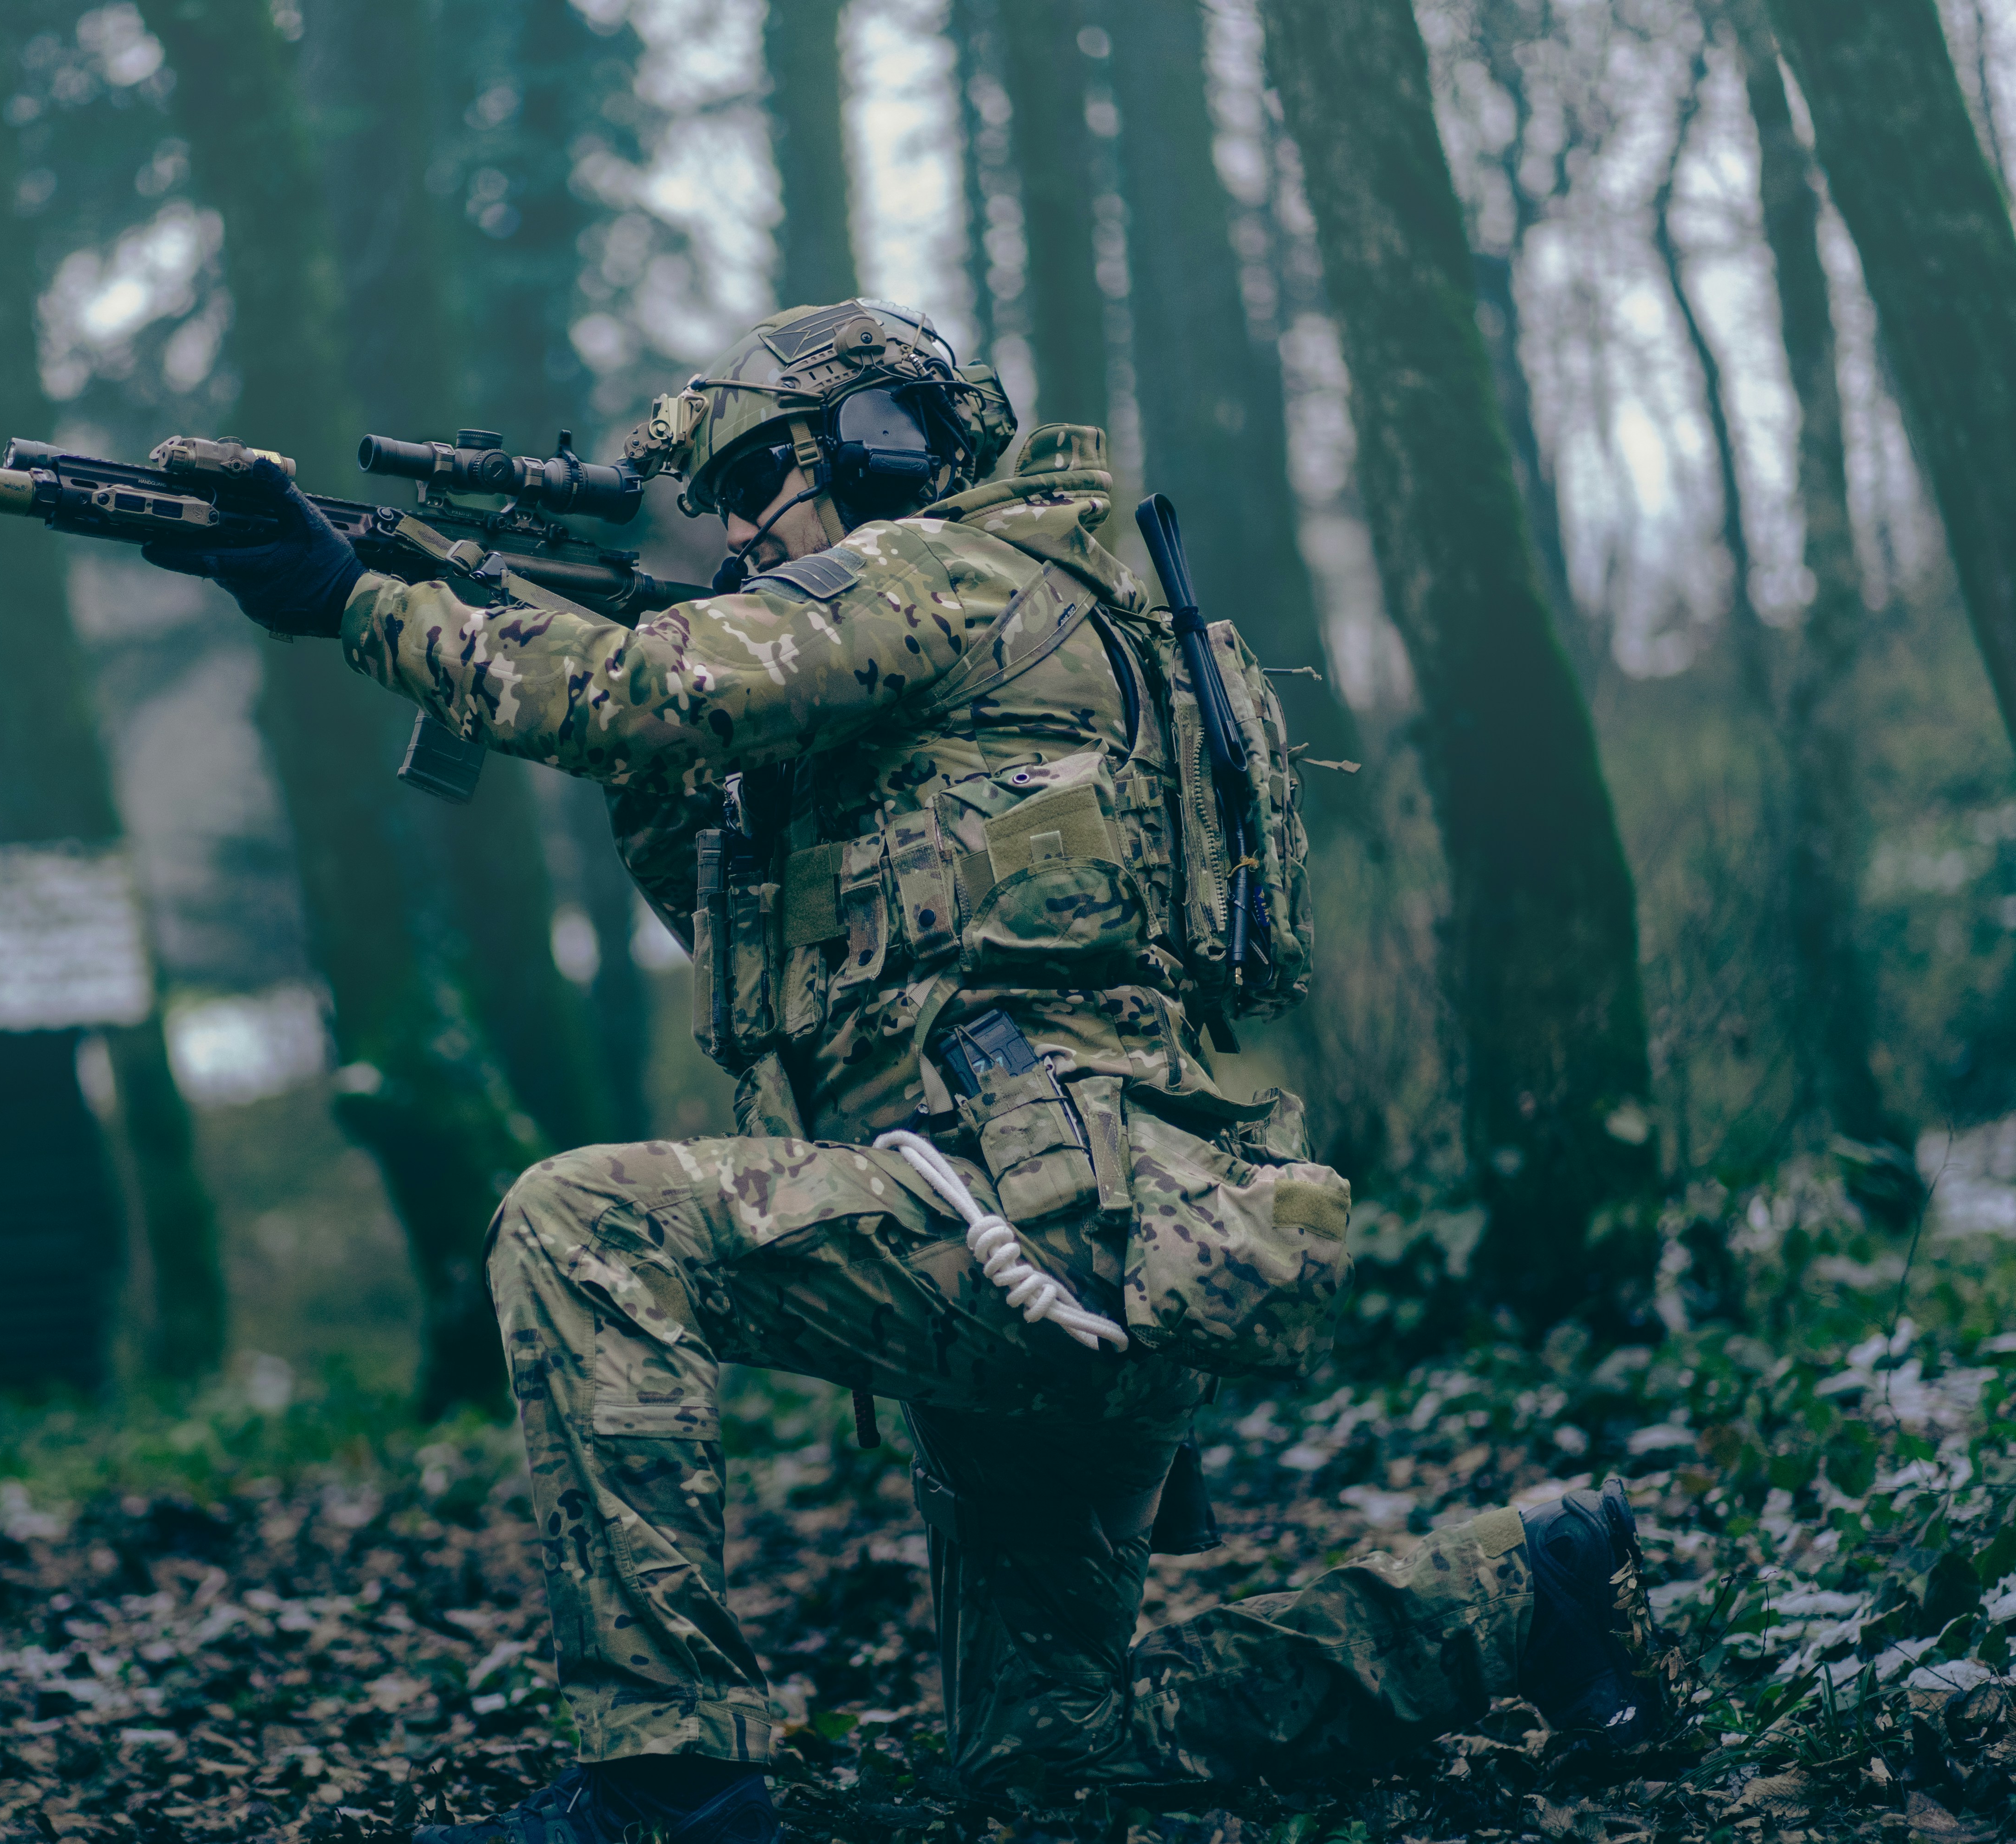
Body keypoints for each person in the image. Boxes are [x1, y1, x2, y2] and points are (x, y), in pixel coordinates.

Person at [147, 301, 1674, 1844]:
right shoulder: (1051, 619)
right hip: (1090, 1228)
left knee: (582, 1222)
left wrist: (360, 601)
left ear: (874, 450)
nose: (740, 532)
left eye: (758, 482)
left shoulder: (943, 568)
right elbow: (761, 948)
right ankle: (1517, 1586)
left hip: (1034, 1226)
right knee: (1053, 1762)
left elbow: (628, 690)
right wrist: (502, 632)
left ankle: (665, 1781)